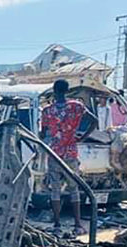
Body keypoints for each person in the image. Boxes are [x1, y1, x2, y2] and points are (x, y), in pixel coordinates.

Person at [41, 79, 97, 235]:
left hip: (54, 153)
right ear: (67, 90)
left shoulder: (47, 111)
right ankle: (78, 225)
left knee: (55, 190)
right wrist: (82, 137)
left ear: (54, 90)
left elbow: (43, 133)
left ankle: (57, 225)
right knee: (74, 189)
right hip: (71, 152)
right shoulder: (76, 107)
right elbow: (94, 121)